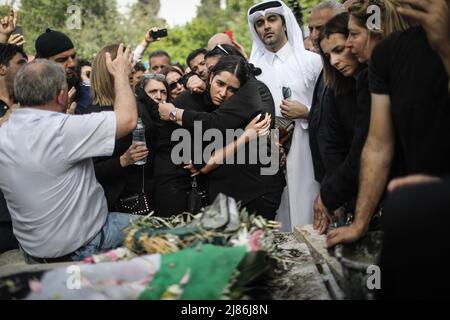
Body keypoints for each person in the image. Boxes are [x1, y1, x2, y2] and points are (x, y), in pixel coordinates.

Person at [0, 45, 138, 263]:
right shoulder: (63, 130)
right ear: (62, 95)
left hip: (34, 253)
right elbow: (128, 119)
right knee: (158, 231)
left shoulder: (4, 132)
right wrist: (120, 73)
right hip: (86, 245)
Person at [326, 0, 442, 248]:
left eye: (354, 34)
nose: (348, 44)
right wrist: (360, 222)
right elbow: (378, 145)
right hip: (415, 211)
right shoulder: (386, 56)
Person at [159, 56, 285, 219]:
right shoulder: (190, 100)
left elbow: (207, 158)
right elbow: (201, 159)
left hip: (259, 190)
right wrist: (244, 136)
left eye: (232, 89)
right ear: (211, 77)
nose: (223, 93)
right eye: (220, 83)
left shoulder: (248, 98)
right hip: (223, 195)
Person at [247, 0, 323, 231]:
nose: (266, 27)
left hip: (307, 153)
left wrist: (307, 113)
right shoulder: (251, 70)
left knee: (308, 212)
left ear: (284, 22)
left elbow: (334, 111)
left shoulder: (312, 62)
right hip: (267, 155)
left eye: (272, 19)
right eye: (260, 23)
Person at [313, 13, 370, 234]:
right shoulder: (337, 90)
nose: (334, 62)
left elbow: (364, 150)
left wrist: (330, 195)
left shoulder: (375, 78)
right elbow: (335, 145)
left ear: (353, 41)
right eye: (328, 56)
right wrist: (337, 198)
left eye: (338, 50)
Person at [82, 44, 154, 214]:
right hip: (113, 206)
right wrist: (123, 160)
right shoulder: (94, 114)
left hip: (147, 195)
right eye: (124, 63)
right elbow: (89, 170)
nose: (130, 68)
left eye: (129, 63)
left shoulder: (138, 104)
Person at [308, 0, 345, 186]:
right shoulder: (326, 69)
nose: (314, 36)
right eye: (311, 29)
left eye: (320, 28)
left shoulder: (348, 71)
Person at [0, 43, 28, 253]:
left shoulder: (29, 104)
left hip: (29, 215)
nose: (26, 69)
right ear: (2, 68)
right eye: (21, 64)